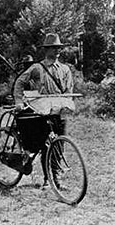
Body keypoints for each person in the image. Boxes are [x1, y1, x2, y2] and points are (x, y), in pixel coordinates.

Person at [13, 33, 74, 187]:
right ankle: (48, 180)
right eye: (54, 48)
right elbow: (19, 83)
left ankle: (57, 179)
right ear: (46, 50)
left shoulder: (65, 69)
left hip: (59, 110)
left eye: (59, 48)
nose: (57, 51)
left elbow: (69, 90)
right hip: (42, 111)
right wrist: (19, 101)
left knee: (60, 145)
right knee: (46, 144)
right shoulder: (37, 68)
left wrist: (67, 103)